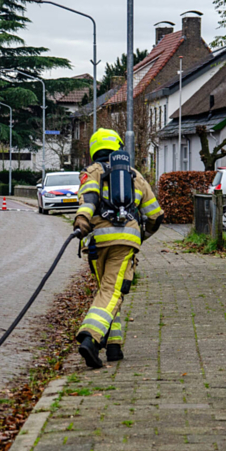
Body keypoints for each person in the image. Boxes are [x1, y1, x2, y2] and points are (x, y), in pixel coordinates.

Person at [72, 128, 164, 369]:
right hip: (124, 243)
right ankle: (91, 338)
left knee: (107, 291)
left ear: (94, 150)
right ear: (119, 147)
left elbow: (89, 199)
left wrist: (82, 221)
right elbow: (155, 216)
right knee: (113, 292)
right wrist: (139, 237)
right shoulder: (135, 176)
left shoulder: (90, 172)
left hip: (96, 243)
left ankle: (114, 347)